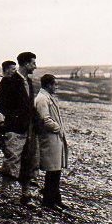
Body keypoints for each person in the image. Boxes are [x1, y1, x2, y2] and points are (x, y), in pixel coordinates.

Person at [0, 51, 39, 205]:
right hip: (14, 128)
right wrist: (15, 117)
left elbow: (29, 105)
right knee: (12, 160)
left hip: (28, 129)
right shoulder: (10, 81)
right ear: (26, 64)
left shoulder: (29, 82)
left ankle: (25, 195)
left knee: (28, 160)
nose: (35, 66)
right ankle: (3, 194)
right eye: (33, 63)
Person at [34, 74, 70, 210]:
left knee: (56, 170)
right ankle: (48, 201)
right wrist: (58, 128)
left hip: (53, 138)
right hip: (49, 139)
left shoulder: (47, 97)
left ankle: (55, 199)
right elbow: (45, 119)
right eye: (55, 84)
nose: (57, 87)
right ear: (48, 85)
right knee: (52, 171)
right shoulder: (42, 99)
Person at [0, 60, 17, 153]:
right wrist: (0, 121)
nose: (15, 71)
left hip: (11, 119)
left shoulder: (12, 81)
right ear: (6, 69)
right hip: (2, 120)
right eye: (13, 69)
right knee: (4, 144)